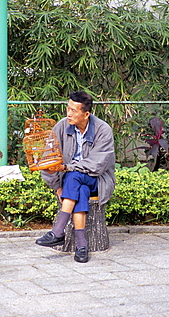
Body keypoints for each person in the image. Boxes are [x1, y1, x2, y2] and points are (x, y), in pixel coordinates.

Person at [36, 91, 115, 263]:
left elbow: (97, 165)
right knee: (80, 189)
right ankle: (82, 246)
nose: (68, 113)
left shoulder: (103, 130)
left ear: (86, 114)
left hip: (98, 180)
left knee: (73, 176)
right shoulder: (61, 126)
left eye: (73, 110)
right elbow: (47, 158)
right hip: (75, 183)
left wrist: (67, 167)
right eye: (67, 108)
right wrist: (57, 186)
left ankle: (57, 232)